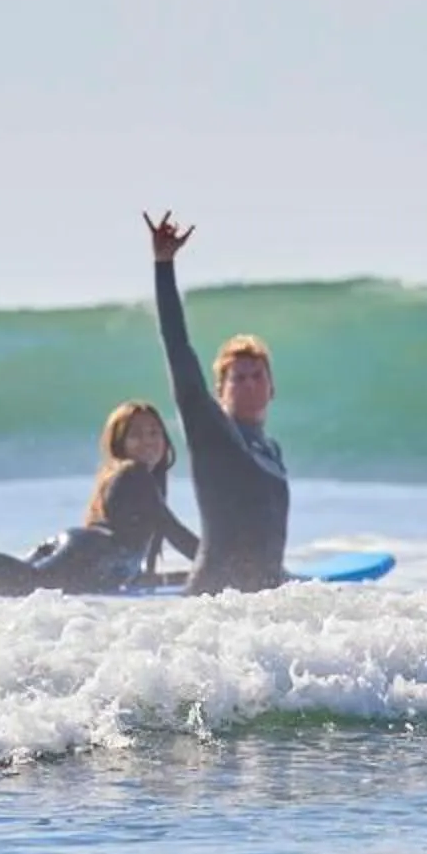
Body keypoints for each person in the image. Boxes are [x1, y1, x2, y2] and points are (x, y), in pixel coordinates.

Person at [0, 401, 201, 601]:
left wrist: (188, 575)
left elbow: (139, 572)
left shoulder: (120, 476)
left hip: (79, 546)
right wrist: (220, 560)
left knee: (23, 580)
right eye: (137, 435)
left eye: (154, 433)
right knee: (29, 582)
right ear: (120, 444)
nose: (148, 442)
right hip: (93, 550)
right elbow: (173, 530)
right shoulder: (136, 474)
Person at [144, 211, 289, 592]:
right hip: (213, 607)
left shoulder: (271, 450)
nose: (248, 384)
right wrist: (164, 265)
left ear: (272, 387)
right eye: (237, 378)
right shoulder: (215, 434)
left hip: (260, 605)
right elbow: (178, 348)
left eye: (258, 376)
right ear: (220, 390)